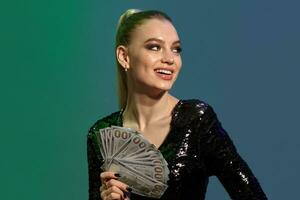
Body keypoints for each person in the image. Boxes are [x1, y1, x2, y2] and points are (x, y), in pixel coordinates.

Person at [87, 9, 268, 200]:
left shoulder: (197, 120)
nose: (170, 59)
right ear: (124, 56)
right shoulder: (100, 133)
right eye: (155, 47)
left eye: (176, 49)